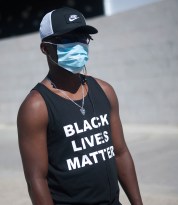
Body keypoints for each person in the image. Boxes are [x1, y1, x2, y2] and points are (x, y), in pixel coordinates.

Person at [17, 7, 143, 205]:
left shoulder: (105, 90)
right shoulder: (36, 107)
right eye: (67, 39)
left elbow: (120, 153)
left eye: (82, 38)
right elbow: (36, 180)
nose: (77, 45)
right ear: (45, 48)